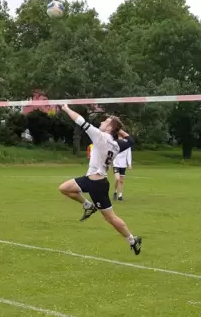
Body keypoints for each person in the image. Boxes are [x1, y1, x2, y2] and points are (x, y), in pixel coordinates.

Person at [58, 104, 142, 255]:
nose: (102, 123)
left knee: (110, 218)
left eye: (105, 121)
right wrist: (116, 126)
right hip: (89, 179)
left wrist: (65, 108)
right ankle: (87, 205)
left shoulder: (100, 136)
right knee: (64, 188)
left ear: (109, 127)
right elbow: (130, 140)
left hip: (98, 185)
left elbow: (80, 120)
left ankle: (132, 240)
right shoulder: (117, 145)